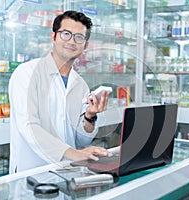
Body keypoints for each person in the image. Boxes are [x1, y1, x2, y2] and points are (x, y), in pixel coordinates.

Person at [9, 10, 112, 173]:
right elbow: (29, 127)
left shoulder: (79, 84)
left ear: (85, 45)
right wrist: (74, 154)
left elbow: (81, 140)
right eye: (66, 34)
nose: (72, 41)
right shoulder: (27, 73)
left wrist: (90, 117)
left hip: (67, 171)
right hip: (32, 172)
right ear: (53, 37)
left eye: (79, 37)